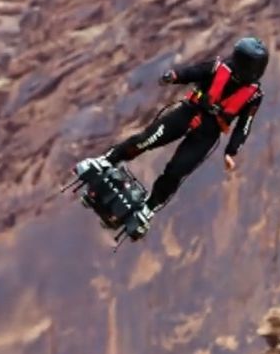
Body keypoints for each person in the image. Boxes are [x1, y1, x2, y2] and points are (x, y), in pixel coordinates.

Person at [78, 37, 269, 222]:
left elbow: (244, 125)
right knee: (146, 139)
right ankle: (106, 161)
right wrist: (174, 76)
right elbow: (193, 72)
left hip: (208, 134)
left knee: (177, 171)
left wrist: (231, 151)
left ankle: (149, 207)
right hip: (187, 112)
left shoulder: (254, 96)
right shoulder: (219, 67)